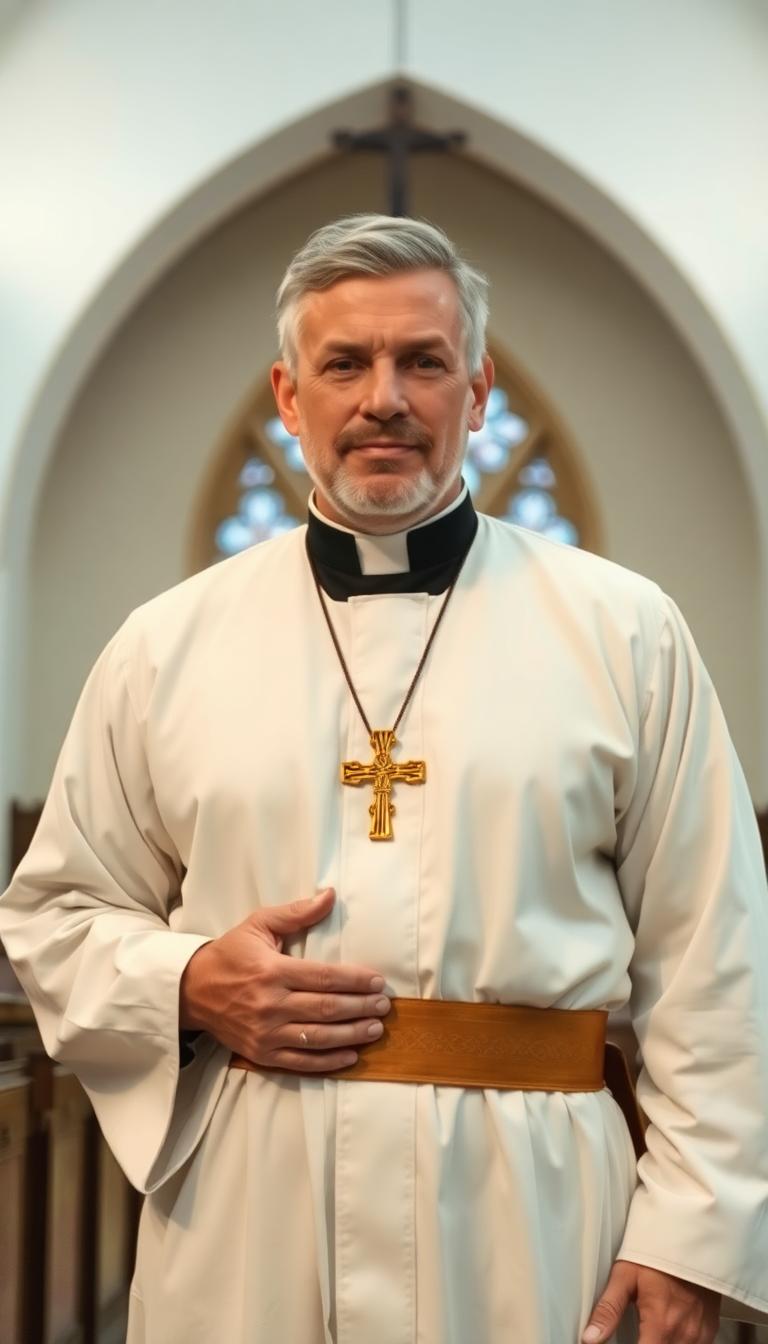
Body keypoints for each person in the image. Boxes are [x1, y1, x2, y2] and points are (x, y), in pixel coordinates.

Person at [1, 214, 767, 1344]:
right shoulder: (164, 648)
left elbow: (717, 956)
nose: (384, 399)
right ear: (287, 394)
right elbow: (55, 913)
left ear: (480, 390)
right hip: (252, 1208)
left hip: (537, 1210)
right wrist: (186, 979)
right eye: (345, 364)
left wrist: (689, 1236)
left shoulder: (625, 631)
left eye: (424, 361)